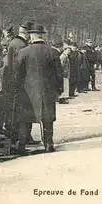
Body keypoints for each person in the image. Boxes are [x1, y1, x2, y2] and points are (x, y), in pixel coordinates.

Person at [14, 24, 63, 153]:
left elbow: (17, 74)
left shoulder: (24, 52)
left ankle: (21, 145)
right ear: (42, 35)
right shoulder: (53, 52)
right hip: (48, 91)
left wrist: (17, 89)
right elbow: (59, 74)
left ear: (32, 35)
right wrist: (59, 89)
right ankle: (48, 143)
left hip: (28, 92)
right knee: (48, 118)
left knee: (25, 119)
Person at [4, 21, 41, 151]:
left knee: (21, 113)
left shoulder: (16, 43)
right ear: (28, 33)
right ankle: (19, 141)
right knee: (21, 114)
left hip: (16, 83)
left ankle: (24, 138)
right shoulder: (20, 45)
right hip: (21, 84)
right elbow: (16, 66)